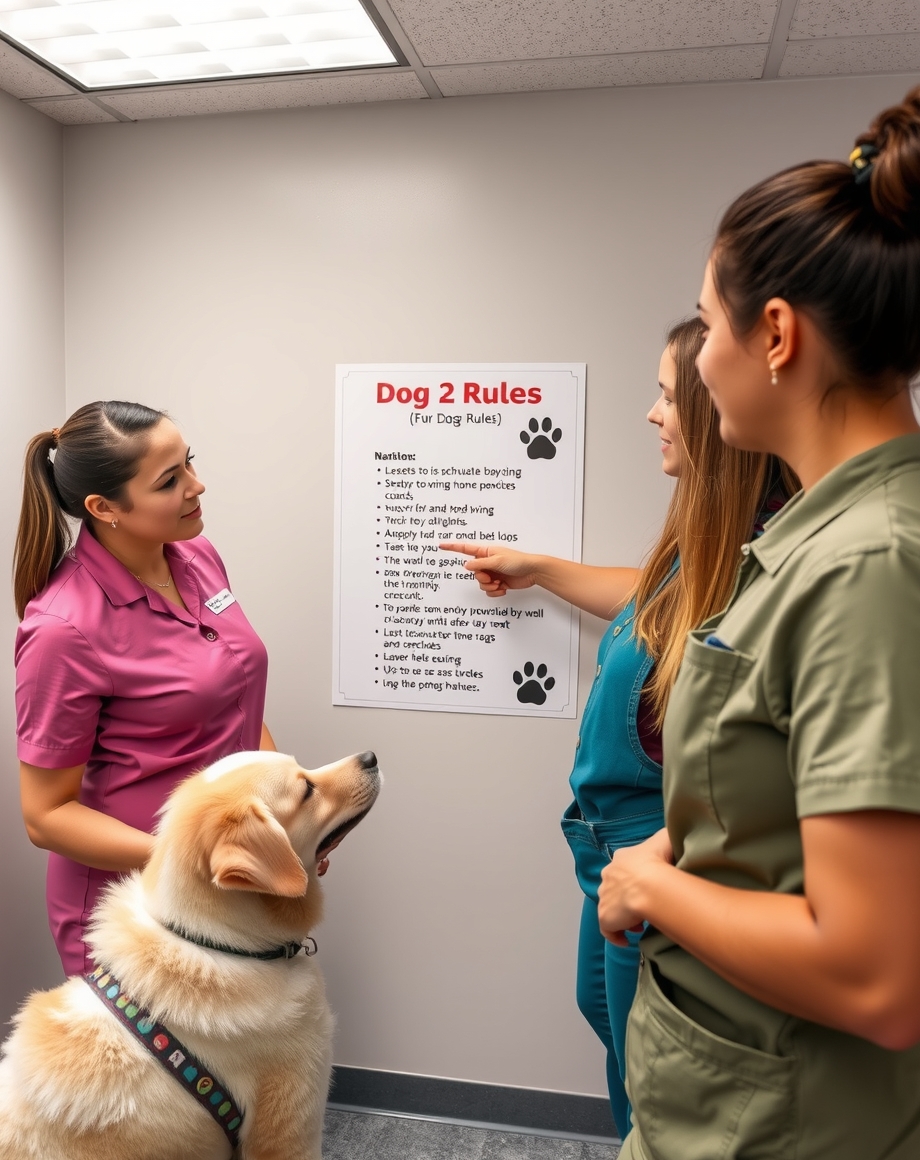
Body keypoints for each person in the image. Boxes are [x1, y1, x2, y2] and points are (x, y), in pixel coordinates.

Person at [598, 87, 920, 1160]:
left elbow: (872, 975)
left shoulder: (866, 566)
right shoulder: (823, 538)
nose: (692, 364)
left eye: (706, 321)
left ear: (775, 334)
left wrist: (655, 883)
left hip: (778, 1119)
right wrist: (680, 840)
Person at [443, 319, 795, 1135]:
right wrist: (541, 569)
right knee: (608, 1019)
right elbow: (656, 602)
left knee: (658, 1075)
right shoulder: (706, 531)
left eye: (668, 396)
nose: (653, 414)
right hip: (606, 847)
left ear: (714, 413)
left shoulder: (773, 554)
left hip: (658, 849)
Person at [14, 401, 280, 978]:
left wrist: (283, 809)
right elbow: (46, 816)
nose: (196, 485)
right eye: (169, 481)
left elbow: (237, 701)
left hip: (225, 866)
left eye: (189, 463)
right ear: (104, 508)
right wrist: (194, 856)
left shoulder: (197, 556)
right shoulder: (63, 629)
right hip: (132, 903)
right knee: (157, 1070)